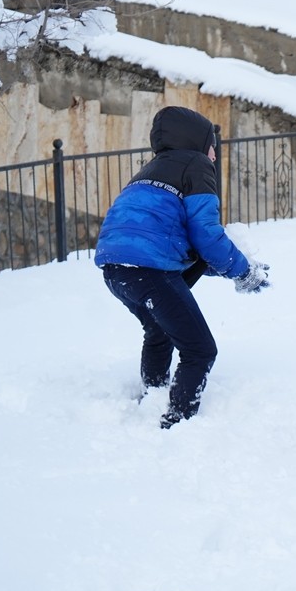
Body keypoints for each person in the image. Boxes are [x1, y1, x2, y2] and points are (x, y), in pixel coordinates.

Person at [95, 106, 271, 429]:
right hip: (148, 270)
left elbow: (179, 244)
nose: (215, 156)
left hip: (115, 268)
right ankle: (176, 422)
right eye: (213, 146)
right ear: (197, 143)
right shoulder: (196, 165)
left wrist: (228, 267)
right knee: (200, 349)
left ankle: (153, 395)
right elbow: (207, 235)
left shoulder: (149, 171)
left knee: (159, 331)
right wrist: (243, 271)